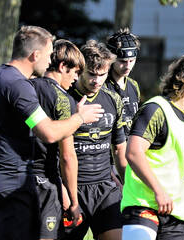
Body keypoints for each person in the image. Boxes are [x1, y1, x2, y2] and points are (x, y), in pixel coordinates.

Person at [0, 26, 103, 240]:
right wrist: (80, 117)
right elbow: (49, 133)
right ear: (35, 54)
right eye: (49, 54)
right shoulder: (18, 85)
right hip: (12, 187)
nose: (50, 60)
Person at [121, 52, 184, 240]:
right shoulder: (155, 109)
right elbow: (133, 153)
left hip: (177, 214)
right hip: (144, 206)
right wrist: (159, 191)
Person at [63, 40, 125, 240]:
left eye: (102, 75)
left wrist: (127, 184)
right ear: (80, 70)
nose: (97, 81)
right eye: (91, 74)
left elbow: (119, 149)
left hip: (105, 188)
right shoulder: (63, 98)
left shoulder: (113, 99)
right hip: (71, 188)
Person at [29, 39, 86, 239]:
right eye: (76, 72)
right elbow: (67, 157)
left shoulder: (25, 87)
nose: (76, 79)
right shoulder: (62, 99)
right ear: (63, 66)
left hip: (17, 179)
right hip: (45, 182)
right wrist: (74, 201)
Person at [105, 28, 141, 145]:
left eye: (132, 60)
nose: (128, 66)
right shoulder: (101, 86)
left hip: (129, 153)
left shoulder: (134, 85)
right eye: (122, 61)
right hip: (109, 156)